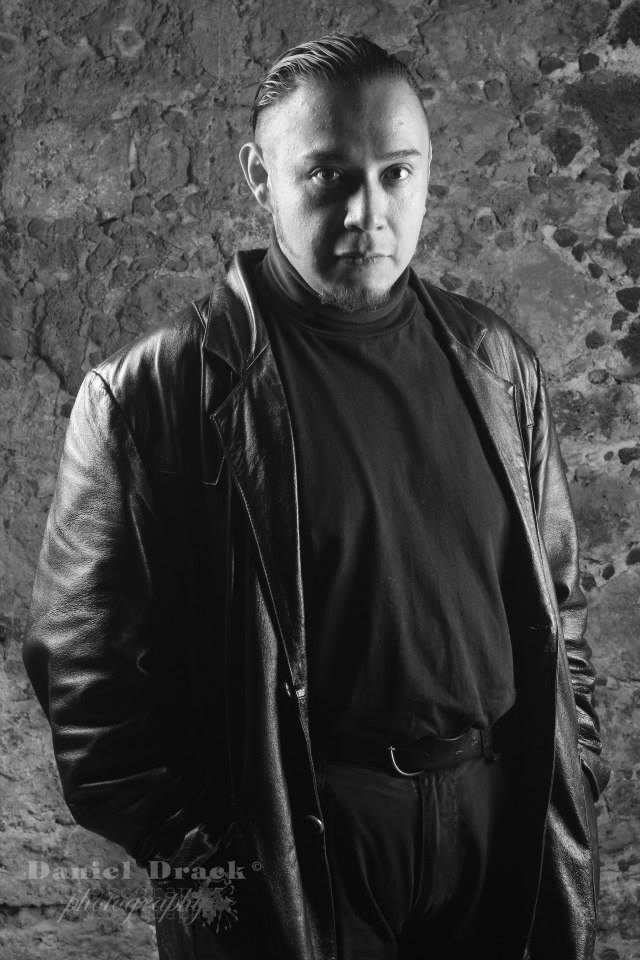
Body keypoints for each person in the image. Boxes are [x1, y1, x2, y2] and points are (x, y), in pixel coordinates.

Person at [23, 33, 610, 960]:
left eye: (396, 173)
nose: (368, 212)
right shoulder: (150, 394)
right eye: (328, 176)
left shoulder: (496, 364)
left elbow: (558, 609)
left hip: (496, 832)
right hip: (293, 854)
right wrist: (215, 866)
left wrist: (578, 769)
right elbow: (86, 684)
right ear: (261, 177)